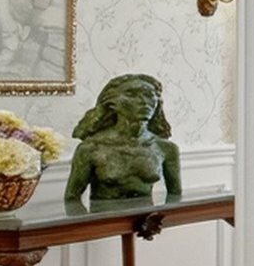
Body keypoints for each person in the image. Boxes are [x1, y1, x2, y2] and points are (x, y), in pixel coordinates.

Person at [66, 72, 183, 203]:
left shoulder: (166, 148)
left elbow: (175, 197)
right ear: (112, 103)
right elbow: (72, 199)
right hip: (104, 220)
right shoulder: (91, 148)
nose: (144, 102)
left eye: (149, 96)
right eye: (131, 95)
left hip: (147, 220)